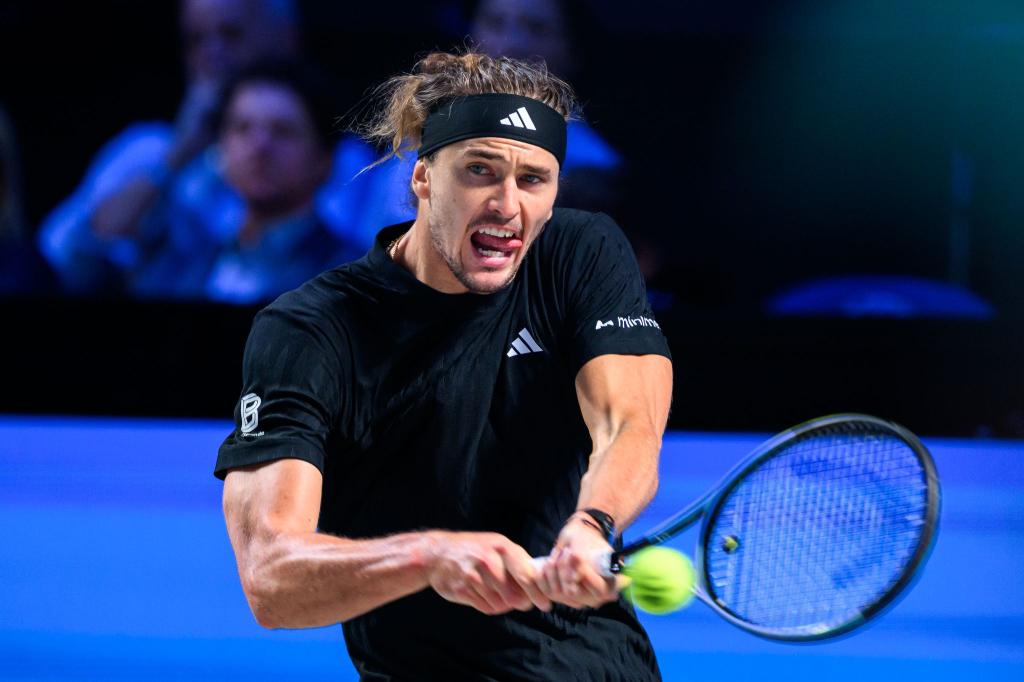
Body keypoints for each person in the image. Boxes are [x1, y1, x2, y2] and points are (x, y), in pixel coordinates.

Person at [215, 51, 672, 679]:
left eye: (533, 179)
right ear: (423, 177)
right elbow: (271, 577)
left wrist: (592, 524)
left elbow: (629, 426)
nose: (507, 206)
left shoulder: (581, 252)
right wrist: (427, 557)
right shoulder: (311, 329)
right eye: (479, 171)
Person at [36, 0, 379, 295]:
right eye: (242, 129)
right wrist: (179, 152)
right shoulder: (191, 257)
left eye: (231, 34)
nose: (259, 146)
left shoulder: (347, 256)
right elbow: (76, 262)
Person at [126, 59, 354, 303]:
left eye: (282, 131)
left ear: (324, 159)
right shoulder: (184, 263)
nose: (259, 147)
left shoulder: (349, 278)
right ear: (220, 147)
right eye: (242, 128)